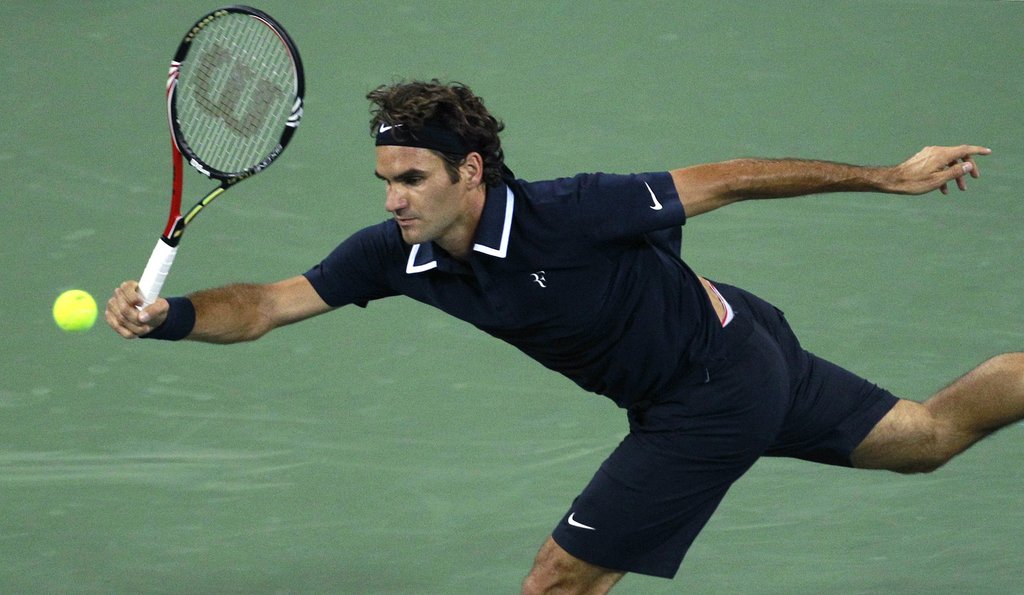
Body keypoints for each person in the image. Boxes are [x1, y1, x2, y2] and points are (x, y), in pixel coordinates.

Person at [107, 79, 1011, 594]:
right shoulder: (398, 253)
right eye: (385, 177)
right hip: (744, 341)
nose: (392, 197)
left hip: (707, 395)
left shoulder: (572, 211)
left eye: (412, 177)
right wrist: (167, 317)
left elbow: (731, 178)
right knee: (927, 436)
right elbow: (267, 304)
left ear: (469, 171)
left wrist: (888, 176)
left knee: (557, 581)